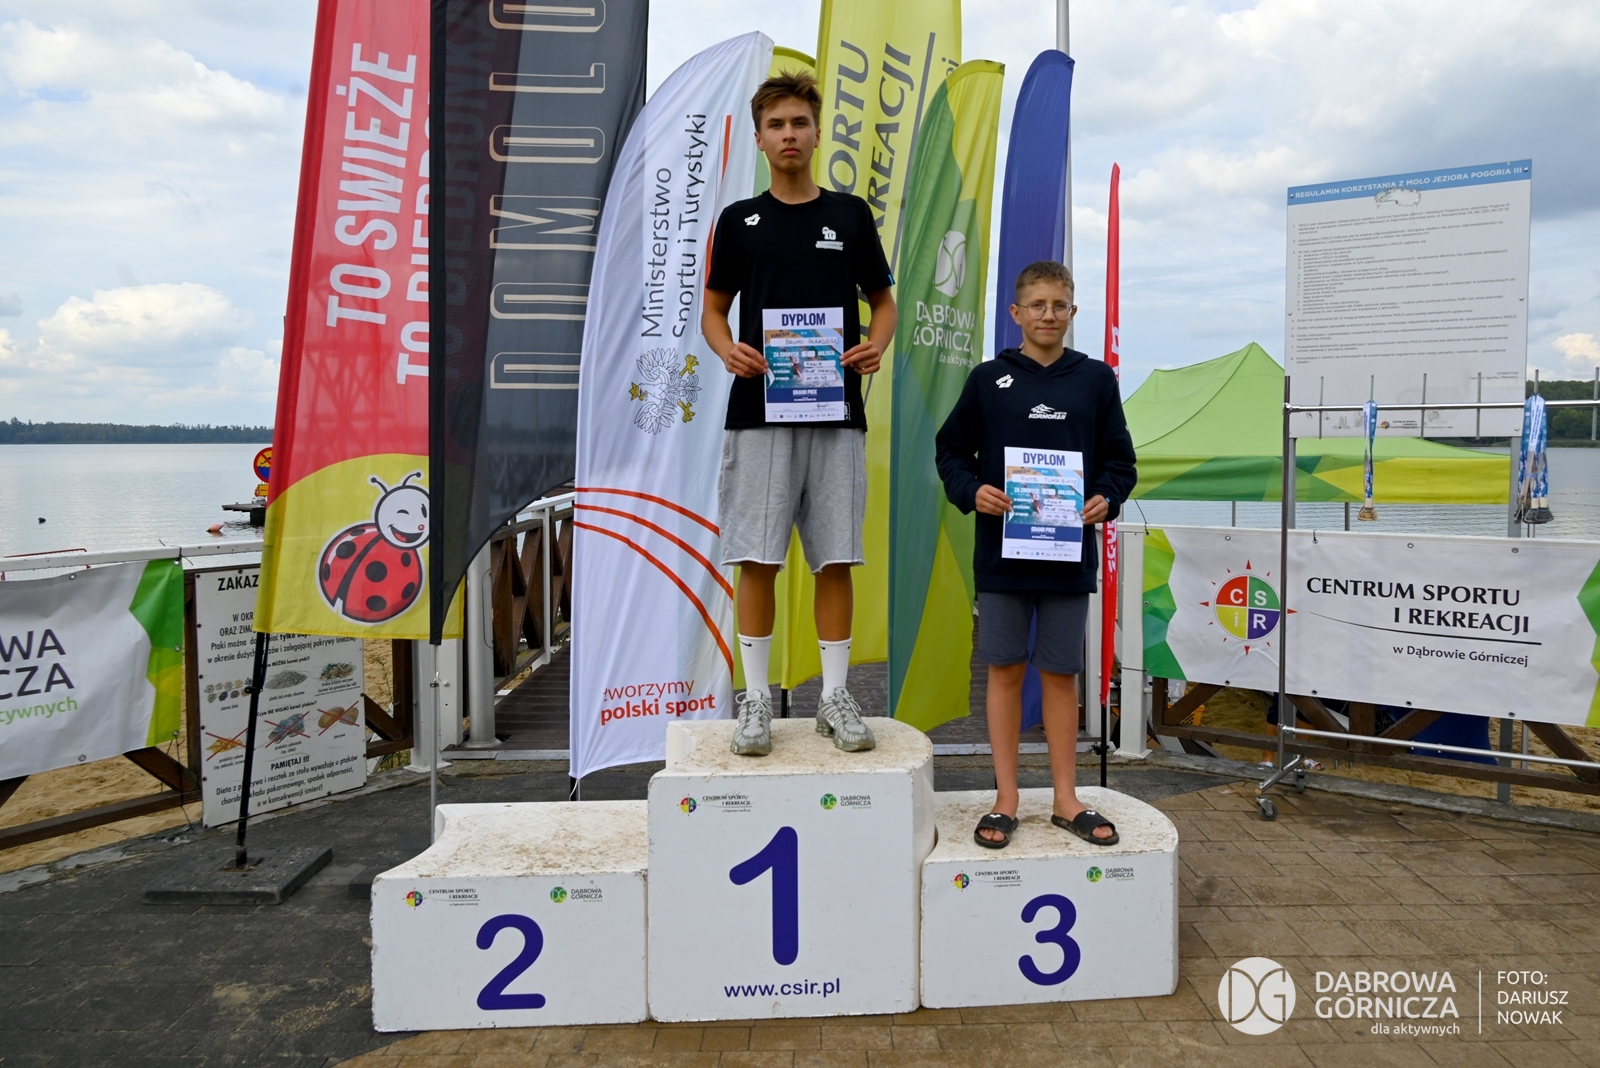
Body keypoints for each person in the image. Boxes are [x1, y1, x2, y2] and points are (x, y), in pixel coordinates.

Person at [702, 70, 897, 757]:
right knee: (757, 559)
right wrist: (727, 349)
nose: (789, 134)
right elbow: (714, 310)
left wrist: (876, 345)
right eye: (777, 125)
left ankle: (834, 698)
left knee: (835, 558)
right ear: (760, 139)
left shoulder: (850, 215)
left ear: (817, 134)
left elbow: (883, 302)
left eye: (800, 123)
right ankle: (755, 699)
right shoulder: (738, 221)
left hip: (836, 412)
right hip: (758, 412)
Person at [935, 260, 1136, 848]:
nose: (1049, 315)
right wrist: (972, 490)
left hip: (1068, 557)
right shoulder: (988, 379)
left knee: (1060, 675)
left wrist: (1106, 497)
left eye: (1060, 306)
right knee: (1003, 671)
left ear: (1073, 312)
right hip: (1003, 557)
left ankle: (1066, 800)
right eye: (1038, 305)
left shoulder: (1096, 380)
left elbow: (1120, 462)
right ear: (1016, 312)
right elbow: (950, 452)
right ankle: (1006, 798)